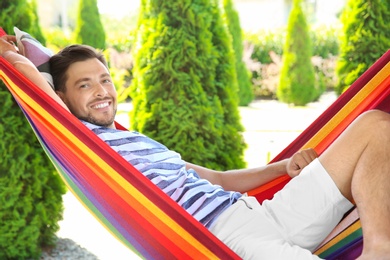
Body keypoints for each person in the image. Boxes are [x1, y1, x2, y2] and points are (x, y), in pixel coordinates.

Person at [1, 34, 390, 260]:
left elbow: (218, 178)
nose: (102, 91)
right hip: (226, 238)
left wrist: (282, 167)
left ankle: (377, 248)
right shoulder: (88, 146)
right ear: (62, 98)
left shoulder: (134, 140)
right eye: (84, 85)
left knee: (374, 126)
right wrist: (13, 51)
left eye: (105, 79)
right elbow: (25, 74)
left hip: (265, 212)